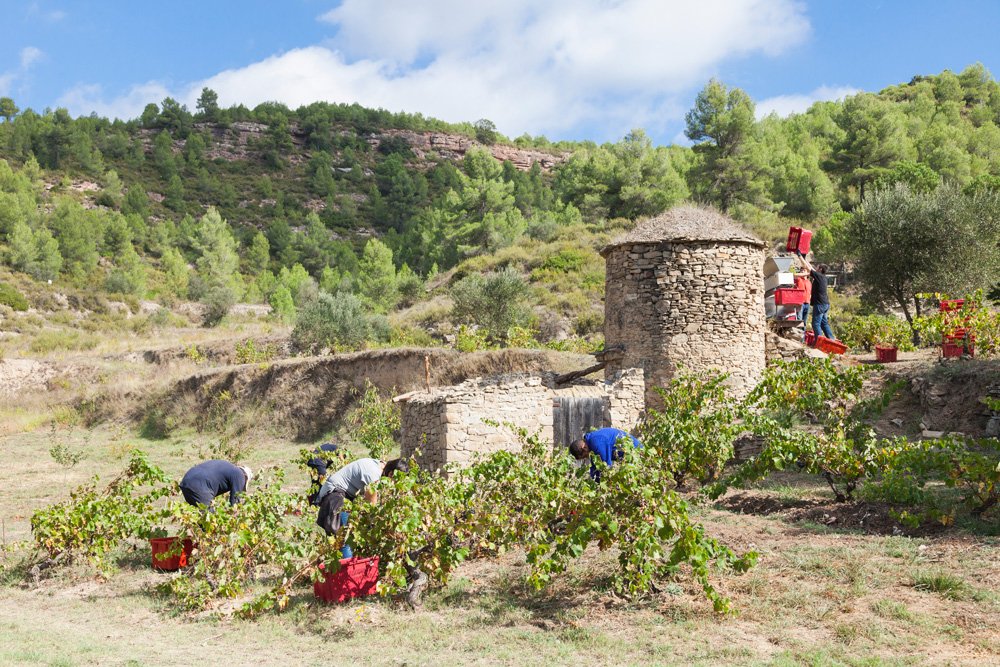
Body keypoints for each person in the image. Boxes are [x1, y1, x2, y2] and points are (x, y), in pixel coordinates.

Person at [315, 457, 401, 535]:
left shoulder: (380, 465)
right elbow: (370, 507)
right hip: (335, 498)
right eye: (396, 481)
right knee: (344, 538)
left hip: (340, 496)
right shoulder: (374, 475)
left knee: (342, 541)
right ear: (391, 474)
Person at [568, 427, 641, 481]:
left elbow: (606, 467)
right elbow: (595, 468)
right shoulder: (591, 444)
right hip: (630, 457)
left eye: (584, 456)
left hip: (638, 453)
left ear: (584, 448)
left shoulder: (597, 442)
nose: (586, 458)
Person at [179, 460, 252, 509]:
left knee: (198, 519)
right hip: (199, 485)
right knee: (210, 521)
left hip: (186, 481)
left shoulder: (228, 467)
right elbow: (235, 501)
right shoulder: (239, 474)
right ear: (245, 477)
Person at [796, 253, 834, 342]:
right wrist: (803, 258)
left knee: (816, 324)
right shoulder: (822, 277)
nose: (815, 268)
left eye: (817, 267)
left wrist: (799, 256)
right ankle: (832, 340)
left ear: (820, 269)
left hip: (820, 304)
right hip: (825, 304)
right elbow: (809, 267)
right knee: (824, 323)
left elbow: (808, 267)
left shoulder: (818, 276)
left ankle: (819, 342)